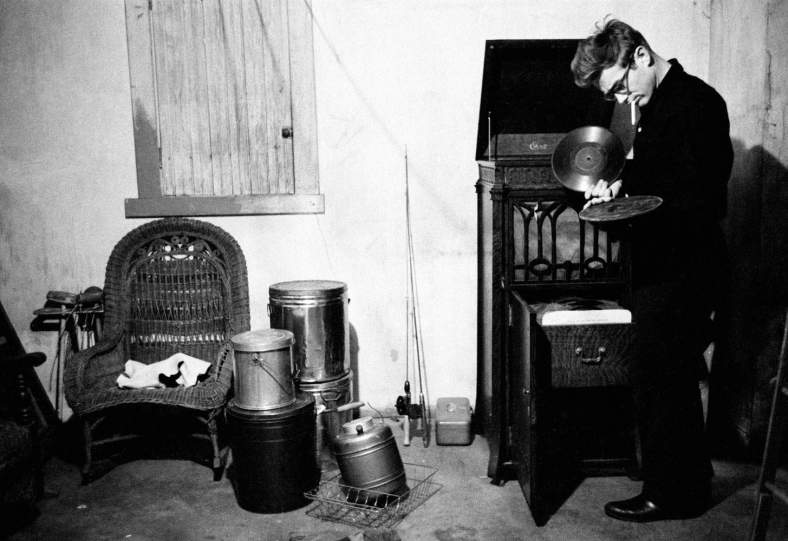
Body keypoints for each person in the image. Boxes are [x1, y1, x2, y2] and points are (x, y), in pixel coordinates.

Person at [570, 18, 733, 522]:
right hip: (660, 263)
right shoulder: (654, 104)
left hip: (686, 266)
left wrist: (633, 205)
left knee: (662, 379)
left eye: (620, 85)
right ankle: (688, 483)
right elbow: (661, 171)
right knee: (667, 378)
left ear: (640, 55)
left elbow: (703, 195)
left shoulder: (698, 102)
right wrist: (622, 185)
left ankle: (671, 494)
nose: (621, 99)